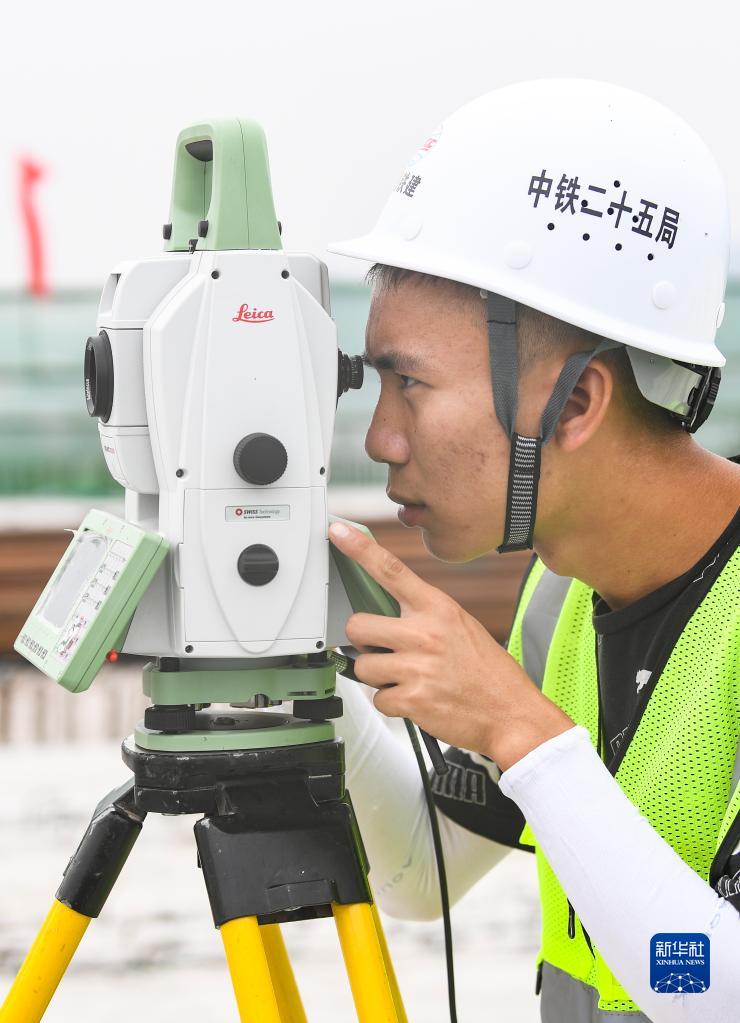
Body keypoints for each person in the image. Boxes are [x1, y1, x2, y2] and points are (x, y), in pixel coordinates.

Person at [325, 79, 740, 1022]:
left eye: (410, 384)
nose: (381, 438)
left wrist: (523, 731)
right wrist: (295, 653)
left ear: (579, 401)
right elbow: (421, 871)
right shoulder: (562, 597)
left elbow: (716, 988)